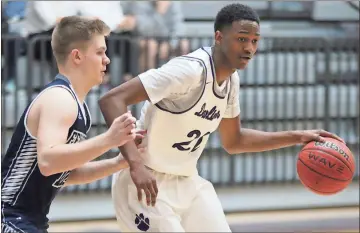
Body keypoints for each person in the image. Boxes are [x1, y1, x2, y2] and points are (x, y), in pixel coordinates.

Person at [98, 3, 345, 232]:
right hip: (144, 182)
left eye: (254, 41)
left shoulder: (230, 81)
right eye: (241, 39)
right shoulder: (188, 71)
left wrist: (297, 136)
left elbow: (234, 140)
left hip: (187, 181)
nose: (249, 48)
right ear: (219, 37)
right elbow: (111, 100)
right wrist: (136, 165)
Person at [1, 16, 145, 233]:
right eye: (100, 52)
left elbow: (63, 174)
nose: (107, 60)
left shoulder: (77, 105)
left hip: (27, 220)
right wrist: (109, 139)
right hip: (9, 218)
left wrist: (118, 162)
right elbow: (48, 161)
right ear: (77, 56)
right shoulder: (60, 98)